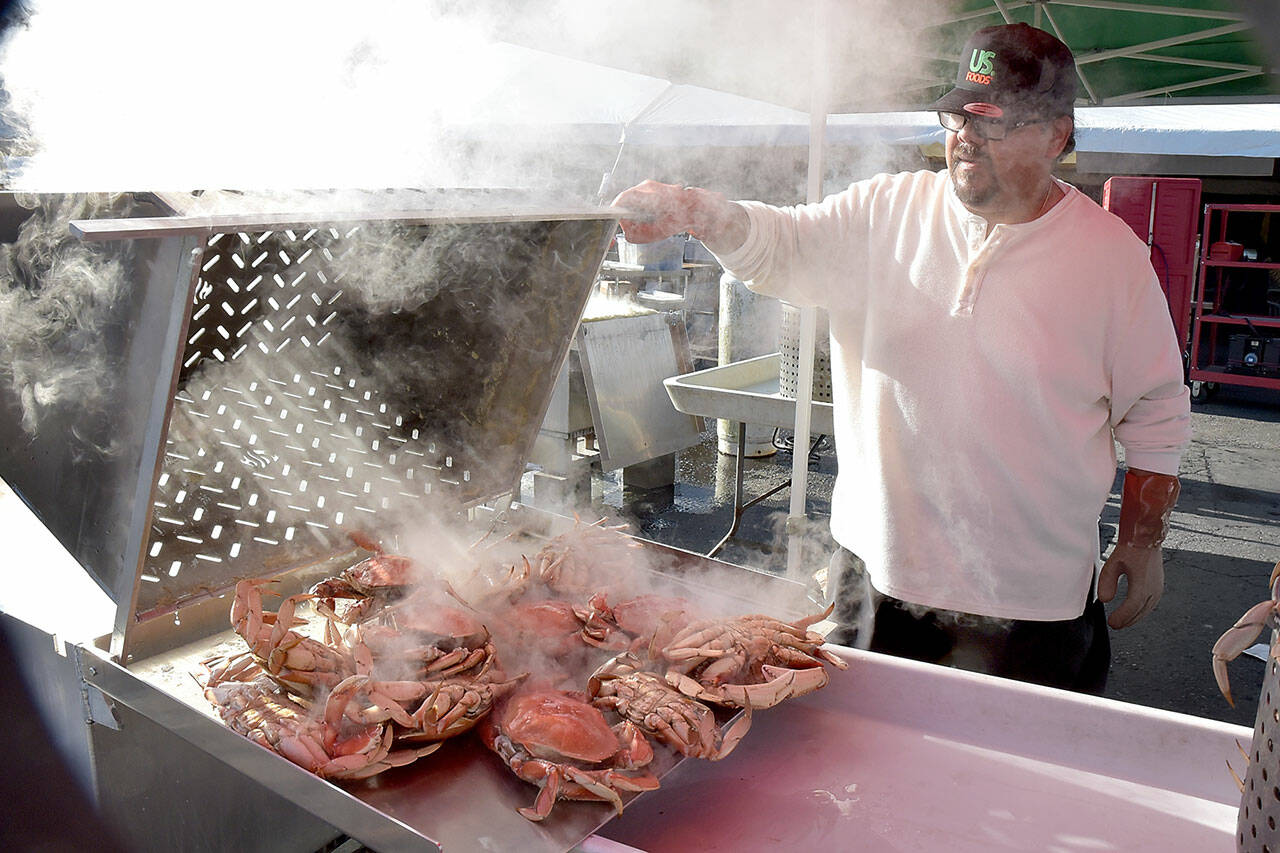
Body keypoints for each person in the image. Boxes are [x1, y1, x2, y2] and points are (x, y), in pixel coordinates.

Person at [612, 23, 1189, 693]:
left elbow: (1156, 415)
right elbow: (783, 245)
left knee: (1019, 787)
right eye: (957, 113)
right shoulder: (885, 210)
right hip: (875, 581)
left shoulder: (1113, 259)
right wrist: (698, 210)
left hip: (1034, 606)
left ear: (1057, 136)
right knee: (856, 776)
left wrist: (1142, 543)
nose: (966, 134)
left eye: (994, 119)